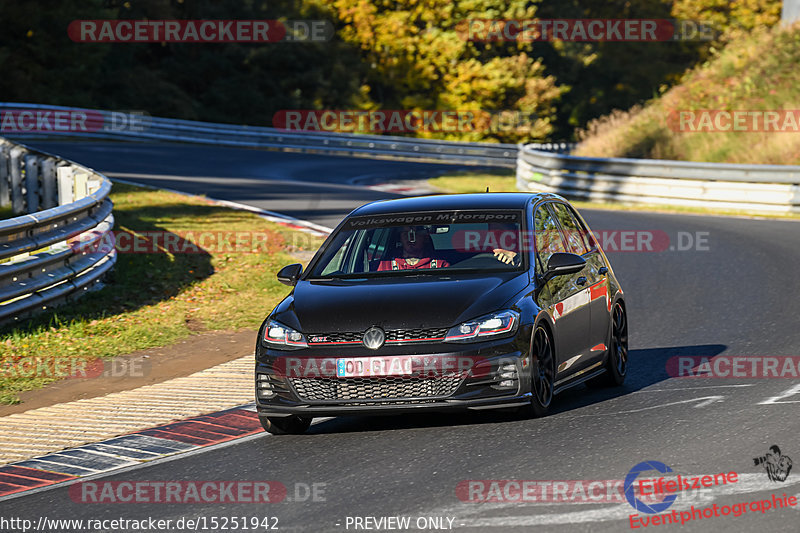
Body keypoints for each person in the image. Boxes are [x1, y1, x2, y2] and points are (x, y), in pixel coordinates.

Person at [377, 226, 450, 271]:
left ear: (426, 238)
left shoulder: (440, 265)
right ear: (400, 238)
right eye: (405, 234)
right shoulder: (385, 265)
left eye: (416, 234)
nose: (411, 238)